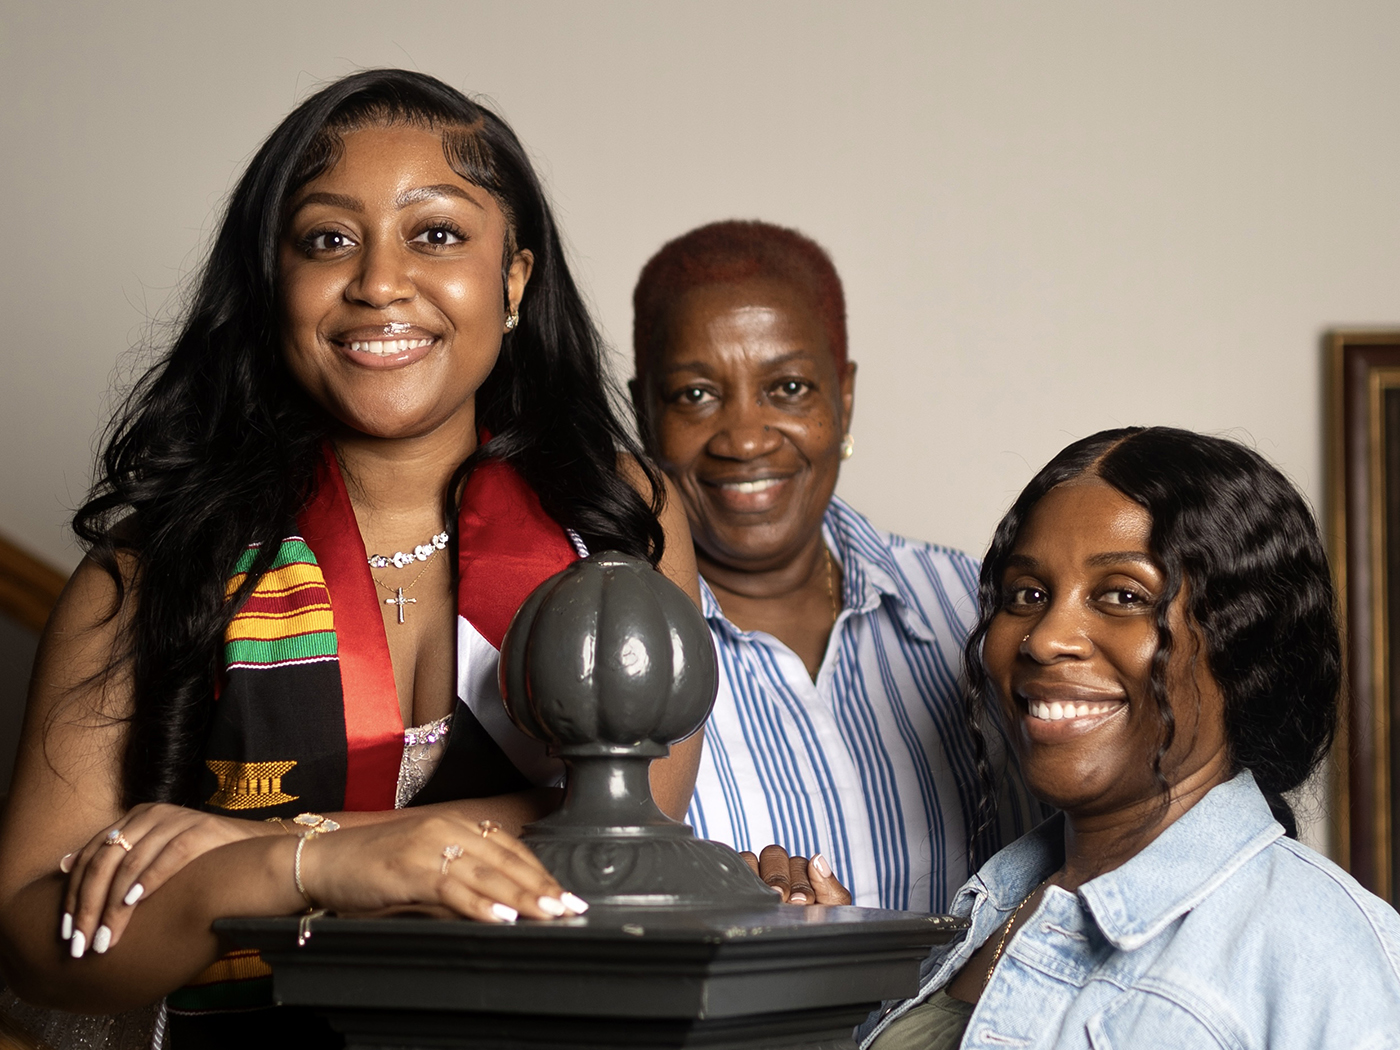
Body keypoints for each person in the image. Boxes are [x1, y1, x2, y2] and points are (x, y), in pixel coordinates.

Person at [0, 69, 701, 1048]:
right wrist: (290, 874)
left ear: (514, 278)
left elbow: (630, 837)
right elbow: (38, 942)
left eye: (437, 234)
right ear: (269, 283)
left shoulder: (617, 523)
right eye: (328, 240)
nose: (378, 282)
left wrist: (254, 841)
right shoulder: (152, 571)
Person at [860, 426, 1400, 1049]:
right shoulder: (998, 905)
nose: (1044, 638)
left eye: (1122, 595)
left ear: (1243, 643)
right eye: (1028, 594)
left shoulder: (1319, 950)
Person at [630, 220, 1040, 911]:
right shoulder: (612, 651)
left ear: (843, 398)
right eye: (696, 395)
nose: (747, 438)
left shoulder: (979, 610)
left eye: (788, 388)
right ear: (645, 412)